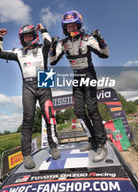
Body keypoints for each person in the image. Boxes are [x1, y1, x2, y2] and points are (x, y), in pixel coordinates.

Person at [0, 23, 60, 169]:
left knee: (49, 116)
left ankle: (54, 147)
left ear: (35, 37)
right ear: (22, 39)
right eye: (25, 37)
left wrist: (43, 29)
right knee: (28, 119)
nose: (28, 39)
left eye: (30, 36)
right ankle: (27, 155)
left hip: (45, 80)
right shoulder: (18, 52)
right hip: (28, 85)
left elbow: (49, 42)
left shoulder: (43, 48)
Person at [49, 10, 109, 162]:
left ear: (79, 26)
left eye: (74, 26)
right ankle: (92, 139)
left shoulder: (87, 38)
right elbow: (52, 61)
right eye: (68, 27)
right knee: (78, 110)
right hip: (77, 77)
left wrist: (100, 39)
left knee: (92, 108)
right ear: (65, 28)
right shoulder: (63, 43)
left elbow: (104, 54)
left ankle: (102, 144)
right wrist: (52, 46)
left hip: (89, 74)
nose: (71, 29)